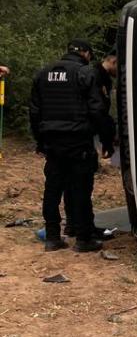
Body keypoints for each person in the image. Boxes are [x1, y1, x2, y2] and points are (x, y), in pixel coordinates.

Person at [30, 39, 113, 252]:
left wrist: (40, 141)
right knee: (81, 189)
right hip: (79, 140)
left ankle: (52, 237)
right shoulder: (85, 73)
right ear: (85, 53)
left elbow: (35, 112)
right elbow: (97, 110)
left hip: (52, 141)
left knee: (52, 189)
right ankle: (83, 239)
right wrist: (106, 140)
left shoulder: (43, 74)